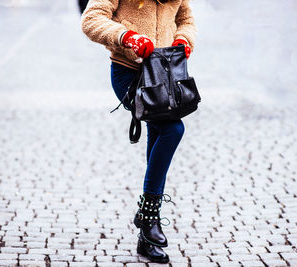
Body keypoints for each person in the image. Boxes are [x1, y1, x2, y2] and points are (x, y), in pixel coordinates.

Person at [81, 0, 196, 263]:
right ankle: (148, 215)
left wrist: (183, 41)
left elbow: (187, 21)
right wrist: (126, 37)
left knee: (159, 132)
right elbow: (90, 19)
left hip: (164, 72)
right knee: (171, 129)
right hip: (128, 73)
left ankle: (146, 237)